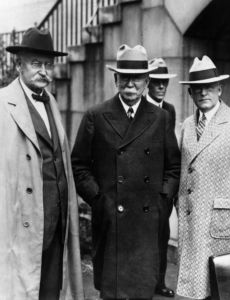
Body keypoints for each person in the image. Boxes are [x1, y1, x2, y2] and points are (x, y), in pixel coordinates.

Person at [0, 27, 84, 300]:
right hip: (17, 224)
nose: (44, 71)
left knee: (50, 291)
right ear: (19, 65)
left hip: (55, 223)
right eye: (36, 63)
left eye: (48, 64)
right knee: (17, 292)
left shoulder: (51, 103)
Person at [71, 44, 181, 300]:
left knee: (143, 292)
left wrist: (161, 203)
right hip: (112, 223)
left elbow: (173, 167)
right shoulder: (96, 116)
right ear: (115, 79)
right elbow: (79, 166)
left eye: (138, 78)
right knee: (112, 293)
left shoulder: (160, 117)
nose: (131, 84)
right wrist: (100, 201)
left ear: (146, 82)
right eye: (125, 77)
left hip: (146, 225)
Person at [176, 55, 230, 299]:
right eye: (197, 89)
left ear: (219, 89)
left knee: (222, 288)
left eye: (209, 87)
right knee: (196, 290)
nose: (203, 93)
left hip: (224, 223)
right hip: (193, 220)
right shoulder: (187, 126)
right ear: (190, 93)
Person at [147, 57, 177, 298]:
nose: (161, 86)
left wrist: (167, 191)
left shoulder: (169, 110)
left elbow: (171, 153)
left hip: (160, 190)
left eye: (164, 82)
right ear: (147, 82)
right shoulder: (138, 107)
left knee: (161, 236)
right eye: (157, 82)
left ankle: (159, 282)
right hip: (139, 187)